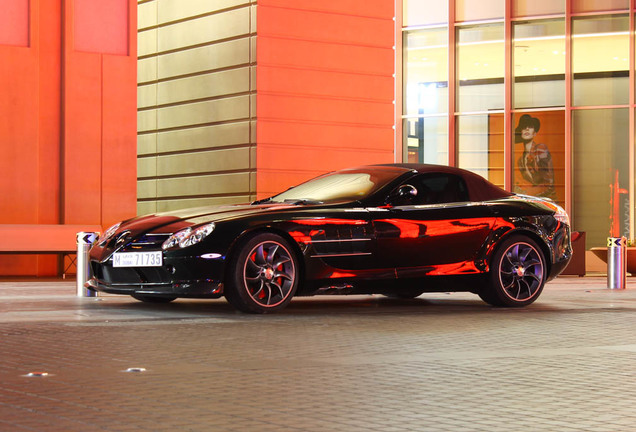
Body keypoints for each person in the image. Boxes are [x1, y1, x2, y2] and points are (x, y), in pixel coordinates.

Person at [514, 114, 556, 200]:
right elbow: (533, 184)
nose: (527, 129)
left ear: (535, 133)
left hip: (548, 202)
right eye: (524, 127)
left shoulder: (540, 149)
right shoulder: (521, 161)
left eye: (530, 127)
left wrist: (526, 193)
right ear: (520, 132)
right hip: (535, 201)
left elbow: (549, 186)